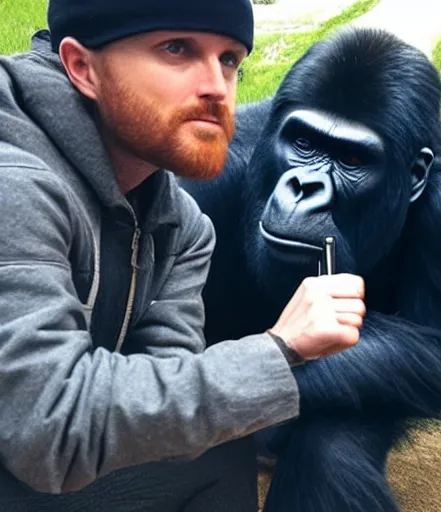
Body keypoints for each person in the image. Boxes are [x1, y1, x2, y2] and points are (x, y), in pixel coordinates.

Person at [0, 0, 366, 510]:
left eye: (231, 59)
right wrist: (279, 349)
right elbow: (46, 431)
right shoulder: (13, 182)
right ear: (82, 66)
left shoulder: (183, 226)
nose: (217, 86)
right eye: (177, 49)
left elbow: (167, 415)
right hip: (27, 445)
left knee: (216, 449)